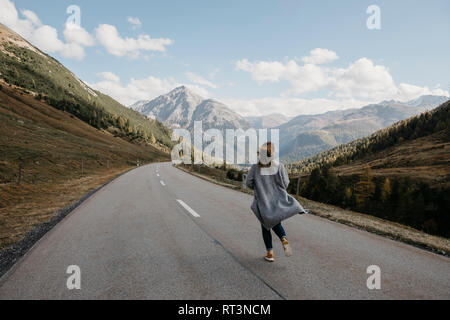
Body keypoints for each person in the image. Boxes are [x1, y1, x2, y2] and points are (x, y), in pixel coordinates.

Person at [245, 142, 306, 262]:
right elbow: (286, 183)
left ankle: (270, 253)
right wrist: (278, 189)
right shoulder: (279, 166)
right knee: (275, 221)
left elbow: (248, 183)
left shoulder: (256, 167)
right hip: (277, 200)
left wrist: (258, 188)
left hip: (263, 200)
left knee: (265, 225)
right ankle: (283, 238)